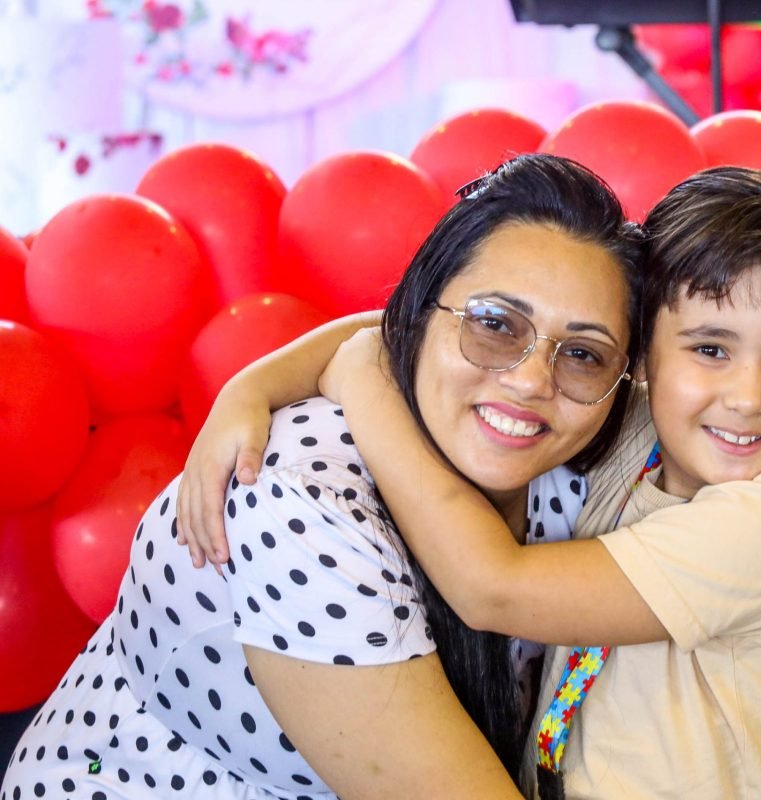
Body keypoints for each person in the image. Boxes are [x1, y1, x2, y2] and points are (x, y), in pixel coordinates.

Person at [178, 165, 761, 798]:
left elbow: (492, 587)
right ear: (643, 357)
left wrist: (363, 378)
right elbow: (437, 325)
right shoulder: (651, 426)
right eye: (710, 349)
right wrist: (254, 384)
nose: (745, 397)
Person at [0, 153, 645, 799]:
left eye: (582, 353)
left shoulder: (586, 456)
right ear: (420, 311)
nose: (531, 380)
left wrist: (317, 366)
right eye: (495, 325)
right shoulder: (297, 502)